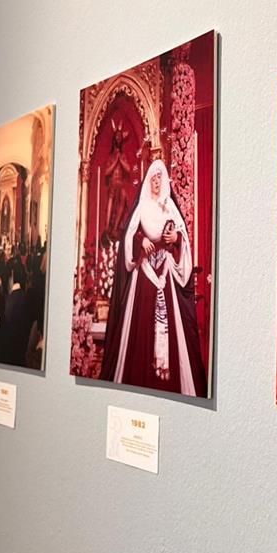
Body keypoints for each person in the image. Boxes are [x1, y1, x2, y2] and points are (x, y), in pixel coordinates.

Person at [100, 159, 207, 397]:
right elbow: (128, 237)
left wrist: (176, 239)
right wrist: (141, 240)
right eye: (153, 178)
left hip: (166, 272)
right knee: (141, 329)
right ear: (149, 181)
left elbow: (183, 238)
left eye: (160, 177)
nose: (157, 182)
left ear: (165, 180)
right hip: (145, 274)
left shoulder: (170, 208)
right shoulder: (142, 206)